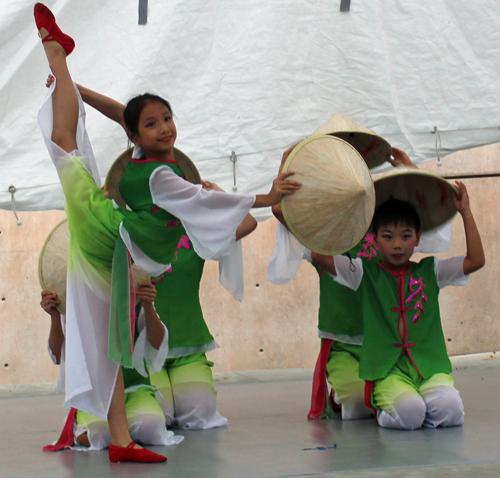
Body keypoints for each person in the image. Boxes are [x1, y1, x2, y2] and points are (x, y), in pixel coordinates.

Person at [33, 3, 300, 462]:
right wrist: (268, 198)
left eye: (167, 118)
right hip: (109, 237)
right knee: (64, 144)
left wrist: (75, 89)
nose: (164, 128)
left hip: (115, 246)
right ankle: (54, 50)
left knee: (111, 338)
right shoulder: (162, 178)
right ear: (137, 135)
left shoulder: (148, 158)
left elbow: (124, 113)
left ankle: (120, 440)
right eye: (152, 123)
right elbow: (207, 201)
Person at [311, 182, 485, 429]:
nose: (397, 245)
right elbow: (319, 256)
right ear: (375, 239)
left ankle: (418, 400)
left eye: (406, 236)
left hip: (428, 367)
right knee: (410, 414)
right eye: (387, 237)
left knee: (451, 413)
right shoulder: (363, 273)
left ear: (417, 238)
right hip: (387, 370)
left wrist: (465, 212)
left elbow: (476, 260)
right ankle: (386, 408)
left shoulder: (431, 271)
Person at [268, 147, 414, 421]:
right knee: (359, 407)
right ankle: (341, 393)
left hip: (385, 342)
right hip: (342, 344)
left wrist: (407, 169)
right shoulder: (323, 240)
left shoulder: (387, 237)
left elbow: (421, 216)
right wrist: (285, 168)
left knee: (403, 401)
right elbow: (281, 211)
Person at [40, 285, 182, 449]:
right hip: (94, 392)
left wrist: (148, 306)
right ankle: (83, 423)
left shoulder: (132, 286)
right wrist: (55, 316)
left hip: (135, 386)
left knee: (152, 428)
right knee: (101, 434)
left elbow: (158, 344)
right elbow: (58, 356)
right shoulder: (75, 296)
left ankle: (123, 426)